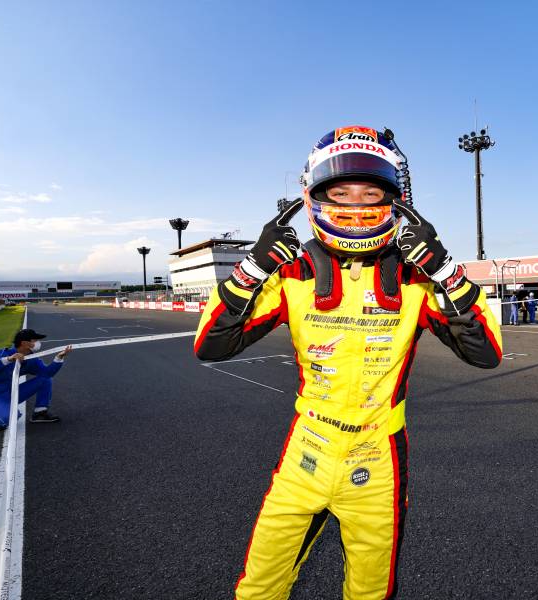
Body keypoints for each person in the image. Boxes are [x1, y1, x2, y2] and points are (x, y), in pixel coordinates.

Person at [194, 125, 503, 599]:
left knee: (370, 592)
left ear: (396, 201)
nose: (356, 206)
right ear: (312, 198)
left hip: (378, 459)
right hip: (305, 456)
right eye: (340, 193)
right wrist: (251, 270)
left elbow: (486, 354)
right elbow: (211, 347)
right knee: (259, 588)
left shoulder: (418, 276)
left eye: (369, 193)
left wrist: (447, 273)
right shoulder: (290, 272)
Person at [0, 328, 72, 430]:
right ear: (24, 343)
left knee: (45, 379)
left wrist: (58, 358)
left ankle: (39, 413)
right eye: (35, 340)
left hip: (10, 392)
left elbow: (47, 374)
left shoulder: (31, 359)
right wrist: (8, 359)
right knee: (9, 418)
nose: (38, 343)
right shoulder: (3, 353)